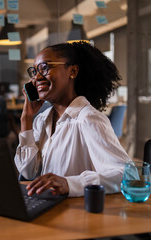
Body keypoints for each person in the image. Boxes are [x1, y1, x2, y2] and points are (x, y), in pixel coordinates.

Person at [14, 41, 131, 197]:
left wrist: (69, 184)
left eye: (45, 67)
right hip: (49, 207)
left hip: (77, 213)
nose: (37, 77)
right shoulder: (41, 120)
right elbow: (28, 172)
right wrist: (26, 119)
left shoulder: (88, 119)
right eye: (34, 71)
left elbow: (126, 175)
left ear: (73, 71)